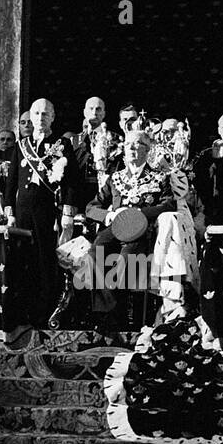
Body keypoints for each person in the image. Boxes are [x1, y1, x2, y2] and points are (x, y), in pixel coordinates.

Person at [85, 129, 176, 330]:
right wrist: (109, 215)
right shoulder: (115, 178)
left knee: (126, 260)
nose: (132, 148)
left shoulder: (160, 178)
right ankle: (105, 314)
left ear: (148, 149)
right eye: (128, 145)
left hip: (142, 232)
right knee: (94, 254)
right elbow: (91, 207)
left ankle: (117, 316)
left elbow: (169, 205)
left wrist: (141, 214)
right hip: (115, 228)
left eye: (138, 145)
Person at [6, 99, 77, 325]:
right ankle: (23, 312)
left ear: (53, 117)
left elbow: (72, 182)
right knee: (22, 261)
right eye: (36, 114)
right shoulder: (21, 146)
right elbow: (12, 182)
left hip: (47, 213)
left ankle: (44, 312)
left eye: (45, 114)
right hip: (22, 213)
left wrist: (67, 212)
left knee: (45, 262)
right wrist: (10, 212)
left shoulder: (62, 145)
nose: (40, 118)